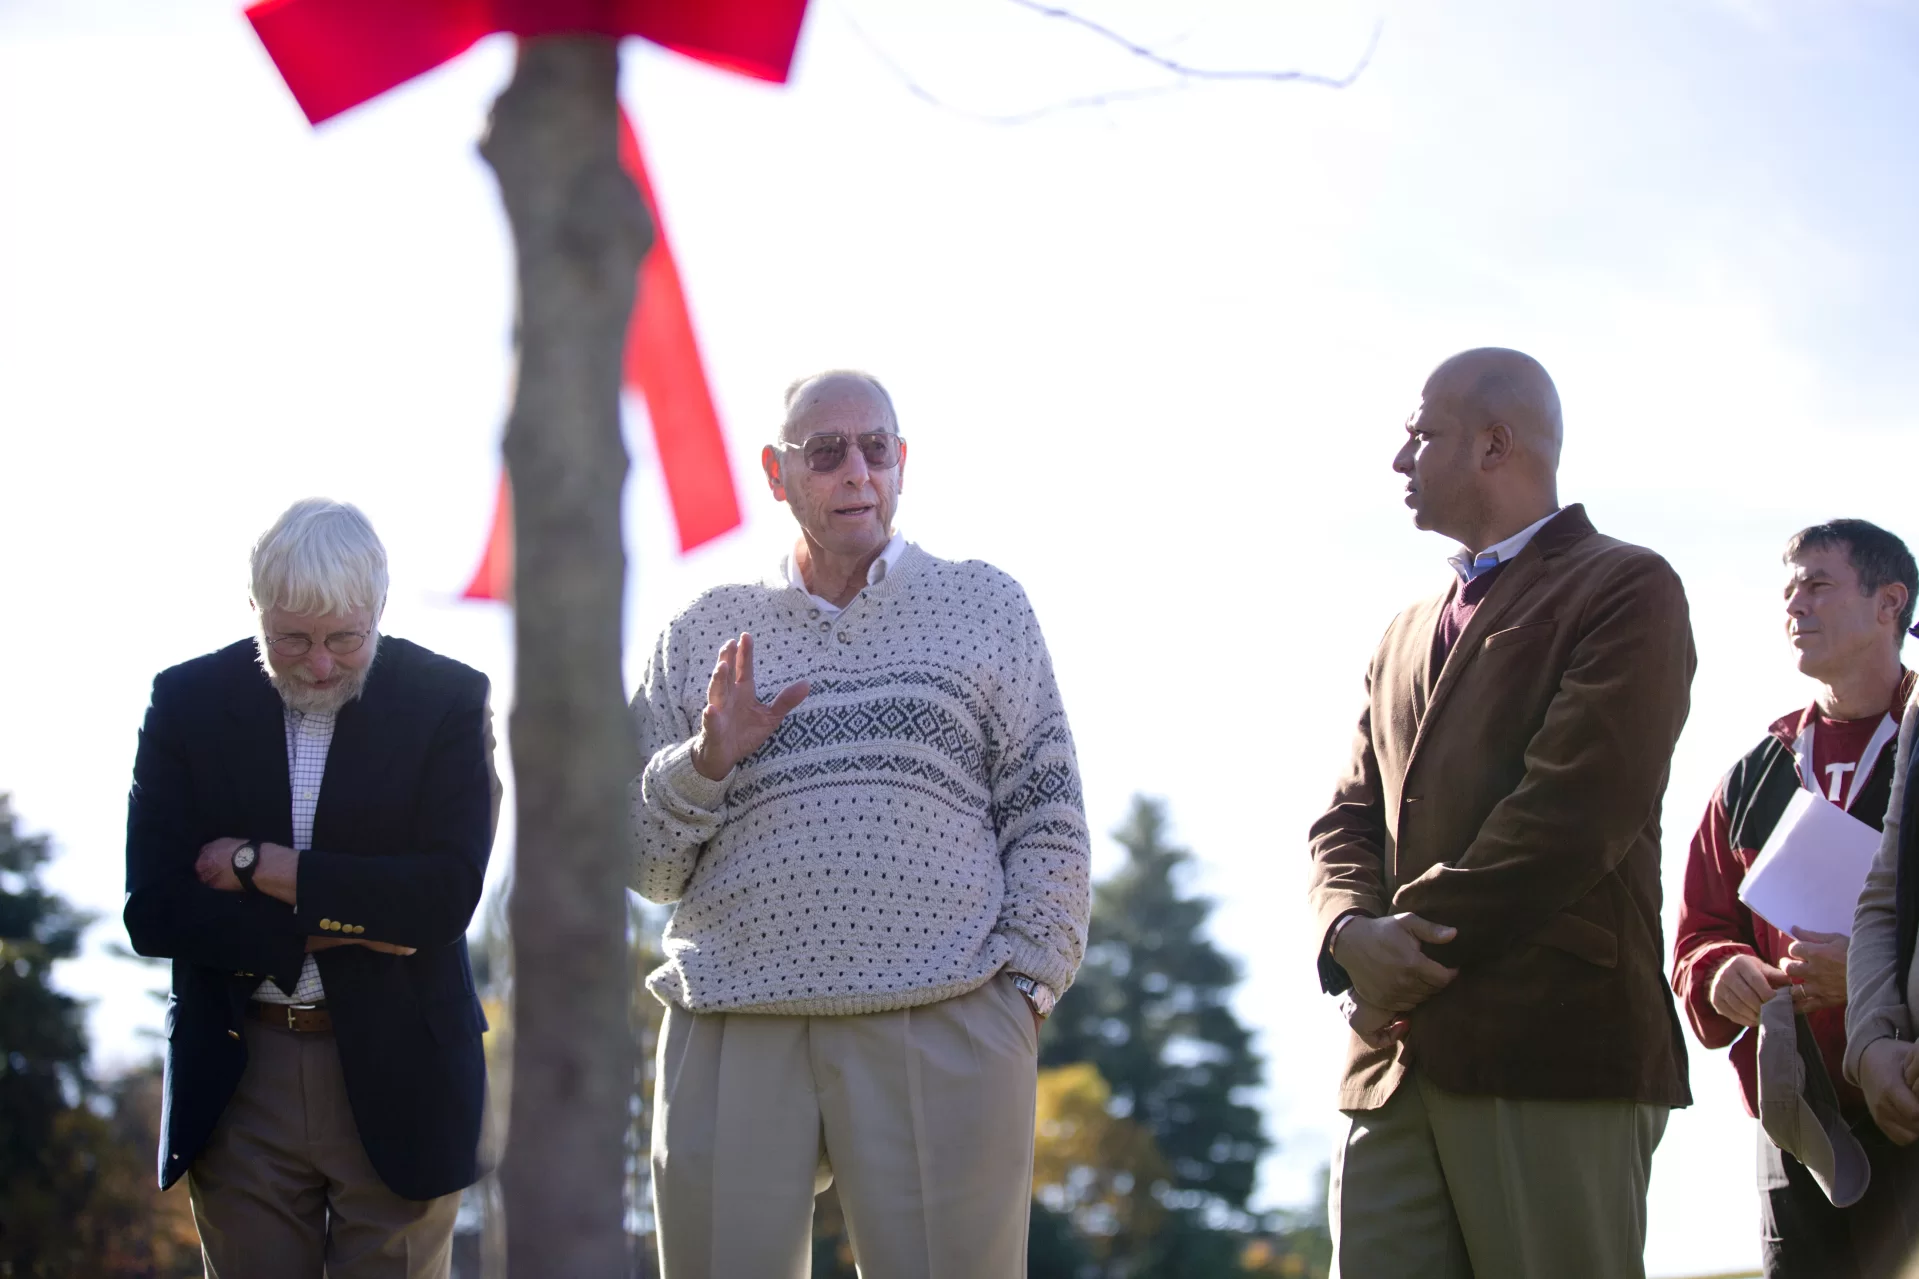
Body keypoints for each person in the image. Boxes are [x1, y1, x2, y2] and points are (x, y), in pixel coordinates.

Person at [629, 369, 1090, 1278]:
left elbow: (1049, 814)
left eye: (875, 449)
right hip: (734, 1019)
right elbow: (643, 867)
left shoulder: (984, 605)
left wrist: (1025, 991)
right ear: (776, 473)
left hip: (944, 1016)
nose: (856, 472)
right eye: (826, 452)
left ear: (901, 463)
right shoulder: (702, 632)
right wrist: (707, 761)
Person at [1306, 348, 1695, 1278]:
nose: (1400, 460)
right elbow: (1347, 815)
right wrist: (1347, 927)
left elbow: (1573, 811)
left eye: (1420, 435)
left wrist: (1408, 949)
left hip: (1551, 1048)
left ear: (1494, 443)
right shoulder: (1403, 629)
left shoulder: (1626, 586)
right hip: (1387, 1071)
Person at [124, 499, 497, 1278]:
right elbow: (154, 909)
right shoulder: (185, 703)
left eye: (344, 639)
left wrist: (262, 868)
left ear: (379, 609)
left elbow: (440, 900)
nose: (318, 664)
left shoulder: (449, 701)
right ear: (255, 608)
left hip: (405, 1075)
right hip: (239, 1078)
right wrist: (341, 917)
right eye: (290, 637)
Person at [1674, 520, 1919, 1277]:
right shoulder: (1756, 772)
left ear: (1889, 603)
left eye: (1816, 584)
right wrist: (1720, 971)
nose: (1794, 606)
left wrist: (1873, 983)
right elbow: (1697, 930)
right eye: (1786, 590)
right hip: (1796, 1122)